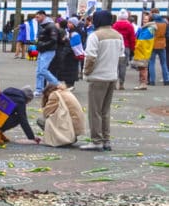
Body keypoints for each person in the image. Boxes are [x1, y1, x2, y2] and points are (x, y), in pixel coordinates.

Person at [81, 9, 122, 151]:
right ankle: (106, 140)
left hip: (98, 77)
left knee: (95, 111)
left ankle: (96, 141)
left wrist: (86, 72)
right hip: (112, 76)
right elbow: (122, 56)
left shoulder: (95, 36)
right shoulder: (118, 35)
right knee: (105, 110)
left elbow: (90, 57)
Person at [34, 15, 62, 96]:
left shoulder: (50, 26)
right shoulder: (44, 26)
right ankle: (39, 90)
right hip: (42, 50)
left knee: (42, 70)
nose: (36, 19)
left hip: (48, 50)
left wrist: (42, 45)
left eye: (38, 17)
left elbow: (54, 40)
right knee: (39, 71)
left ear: (43, 16)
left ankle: (57, 84)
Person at [49, 18, 80, 88]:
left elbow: (73, 45)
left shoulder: (75, 33)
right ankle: (68, 84)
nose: (68, 24)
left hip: (72, 55)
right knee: (67, 70)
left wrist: (66, 41)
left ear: (74, 25)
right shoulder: (69, 32)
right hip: (69, 55)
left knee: (70, 70)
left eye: (70, 23)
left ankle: (70, 85)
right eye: (68, 23)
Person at [111, 9, 136, 91]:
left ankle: (113, 83)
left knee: (114, 66)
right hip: (126, 47)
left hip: (116, 47)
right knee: (123, 66)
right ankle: (121, 83)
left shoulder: (115, 25)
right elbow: (132, 38)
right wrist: (133, 49)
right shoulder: (129, 26)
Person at [134, 13, 156, 90]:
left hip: (143, 51)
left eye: (146, 19)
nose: (144, 21)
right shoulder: (147, 28)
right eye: (143, 19)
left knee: (143, 68)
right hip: (143, 51)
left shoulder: (148, 29)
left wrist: (136, 45)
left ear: (150, 20)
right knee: (142, 67)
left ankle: (143, 83)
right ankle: (142, 83)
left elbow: (142, 40)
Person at [147, 8, 167, 86]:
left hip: (153, 44)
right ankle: (166, 80)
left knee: (152, 63)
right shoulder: (165, 23)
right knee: (163, 63)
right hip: (162, 44)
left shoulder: (152, 23)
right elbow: (167, 34)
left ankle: (152, 80)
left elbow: (150, 34)